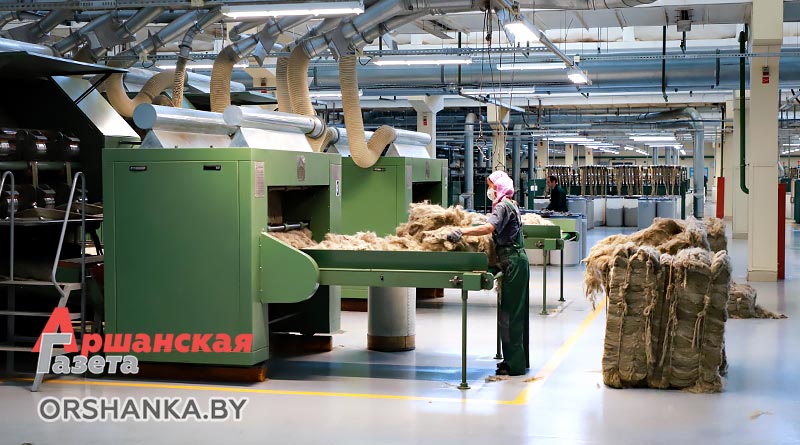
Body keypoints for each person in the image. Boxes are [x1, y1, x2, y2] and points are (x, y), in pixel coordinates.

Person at [447, 171, 529, 376]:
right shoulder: (511, 204)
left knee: (509, 315)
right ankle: (518, 360)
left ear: (498, 186)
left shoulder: (502, 206)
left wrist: (462, 232)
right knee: (516, 313)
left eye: (490, 185)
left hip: (512, 261)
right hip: (515, 260)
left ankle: (514, 365)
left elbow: (489, 227)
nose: (489, 190)